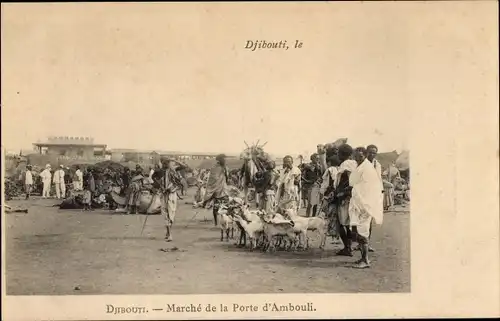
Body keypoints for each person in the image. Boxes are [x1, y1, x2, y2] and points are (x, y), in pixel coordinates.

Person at [349, 147, 384, 269]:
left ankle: (365, 260)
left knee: (362, 232)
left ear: (365, 156)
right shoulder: (360, 167)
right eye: (356, 156)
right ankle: (363, 258)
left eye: (361, 156)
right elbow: (353, 182)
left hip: (364, 205)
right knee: (358, 231)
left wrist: (365, 205)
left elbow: (371, 189)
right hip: (358, 204)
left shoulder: (367, 168)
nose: (358, 158)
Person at [334, 144, 357, 256]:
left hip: (345, 197)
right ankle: (349, 247)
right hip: (351, 196)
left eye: (338, 152)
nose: (337, 155)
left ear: (342, 154)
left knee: (342, 223)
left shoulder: (346, 164)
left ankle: (347, 248)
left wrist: (342, 193)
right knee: (348, 223)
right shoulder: (354, 163)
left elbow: (348, 180)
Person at [201, 154, 230, 226]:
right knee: (216, 207)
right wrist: (216, 185)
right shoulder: (215, 167)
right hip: (217, 190)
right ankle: (216, 222)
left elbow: (227, 178)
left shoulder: (225, 167)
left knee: (226, 206)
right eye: (224, 159)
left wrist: (225, 171)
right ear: (220, 160)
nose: (225, 160)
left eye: (225, 159)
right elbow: (213, 178)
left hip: (223, 189)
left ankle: (225, 222)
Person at [161, 158, 184, 242]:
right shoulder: (162, 172)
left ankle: (169, 233)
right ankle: (168, 233)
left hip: (171, 194)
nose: (165, 165)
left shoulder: (173, 171)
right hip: (164, 195)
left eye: (167, 163)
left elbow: (183, 166)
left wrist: (175, 160)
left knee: (170, 213)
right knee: (166, 214)